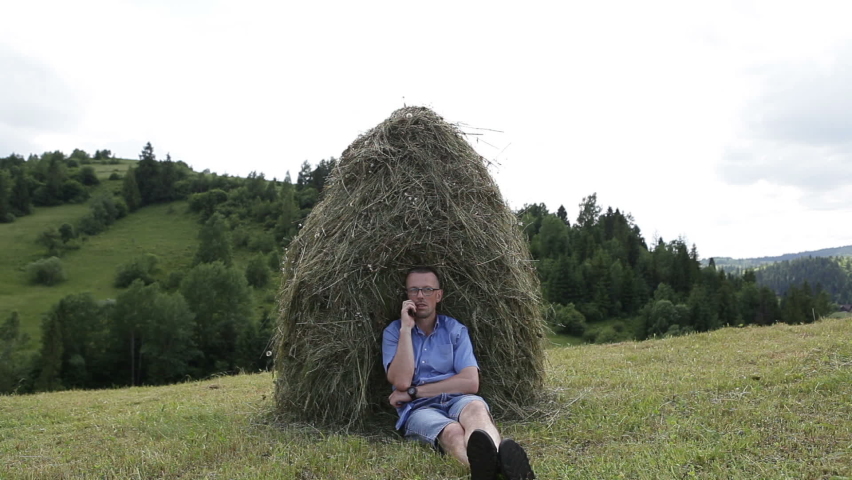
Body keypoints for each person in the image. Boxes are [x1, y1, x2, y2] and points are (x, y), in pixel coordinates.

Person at [382, 266, 535, 480]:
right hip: (419, 409)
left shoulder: (455, 330)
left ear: (439, 295)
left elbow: (471, 382)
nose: (420, 296)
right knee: (453, 432)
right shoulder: (394, 332)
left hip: (456, 400)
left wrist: (414, 391)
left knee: (477, 410)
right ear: (406, 295)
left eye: (427, 289)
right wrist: (406, 329)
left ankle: (496, 462)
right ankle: (492, 472)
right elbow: (401, 381)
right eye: (413, 290)